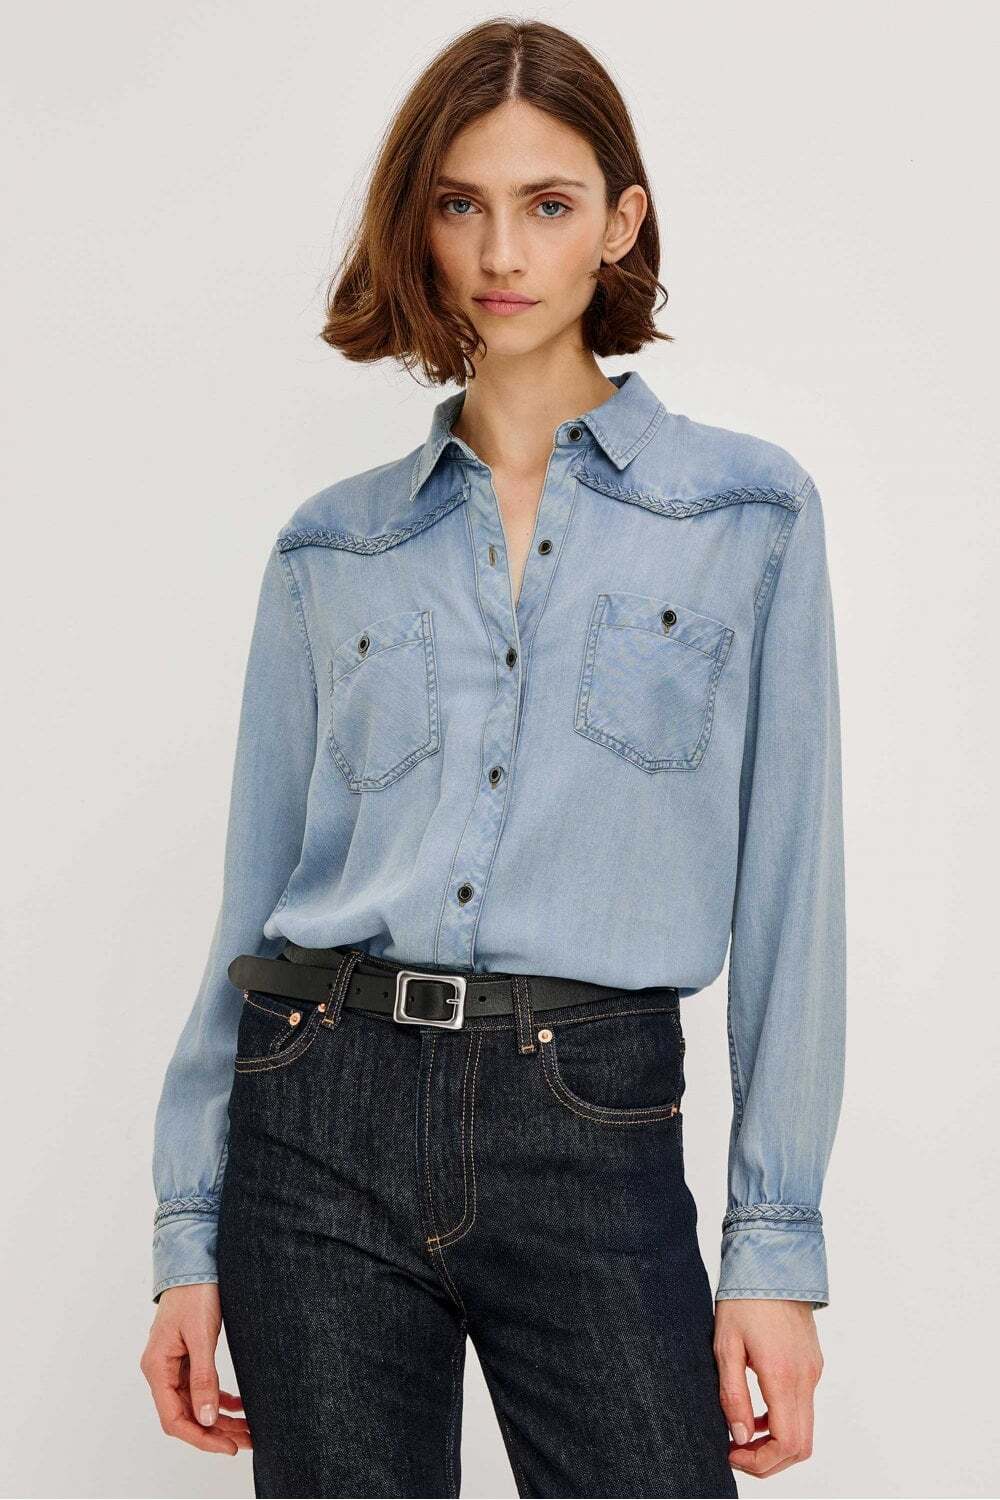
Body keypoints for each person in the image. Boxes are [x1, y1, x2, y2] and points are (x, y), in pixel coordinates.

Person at [140, 18, 845, 1498]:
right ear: (420, 223)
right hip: (317, 1112)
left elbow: (794, 897)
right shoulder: (333, 546)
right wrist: (185, 1231)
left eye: (549, 203)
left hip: (590, 1112)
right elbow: (251, 902)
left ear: (620, 224)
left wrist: (773, 1249)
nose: (501, 251)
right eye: (460, 203)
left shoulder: (749, 518)